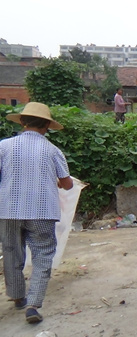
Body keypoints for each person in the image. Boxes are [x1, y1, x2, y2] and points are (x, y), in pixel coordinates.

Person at [0, 102, 74, 324]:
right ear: (47, 126)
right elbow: (68, 184)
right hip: (42, 211)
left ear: (22, 122)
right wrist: (59, 183)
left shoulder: (4, 147)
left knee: (12, 251)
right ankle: (33, 305)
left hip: (8, 209)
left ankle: (17, 296)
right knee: (43, 255)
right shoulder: (52, 150)